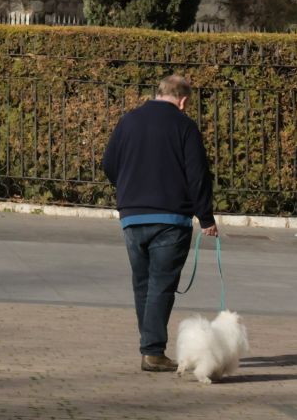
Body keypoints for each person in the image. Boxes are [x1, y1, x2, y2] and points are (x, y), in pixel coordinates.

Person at [101, 73, 218, 373]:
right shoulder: (185, 126)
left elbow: (109, 164)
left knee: (143, 283)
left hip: (132, 215)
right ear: (183, 100)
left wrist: (128, 188)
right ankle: (152, 351)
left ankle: (149, 346)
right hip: (170, 218)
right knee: (161, 285)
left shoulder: (129, 121)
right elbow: (198, 175)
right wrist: (205, 217)